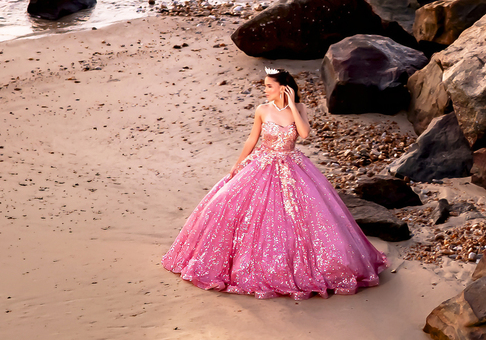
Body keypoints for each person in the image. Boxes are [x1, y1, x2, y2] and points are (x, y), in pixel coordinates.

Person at [162, 68, 387, 299]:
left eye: (269, 86)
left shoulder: (299, 108)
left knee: (305, 217)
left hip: (292, 166)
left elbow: (304, 134)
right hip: (262, 164)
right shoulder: (262, 109)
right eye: (265, 86)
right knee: (231, 204)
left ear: (283, 88)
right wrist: (237, 165)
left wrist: (293, 105)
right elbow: (252, 138)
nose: (265, 90)